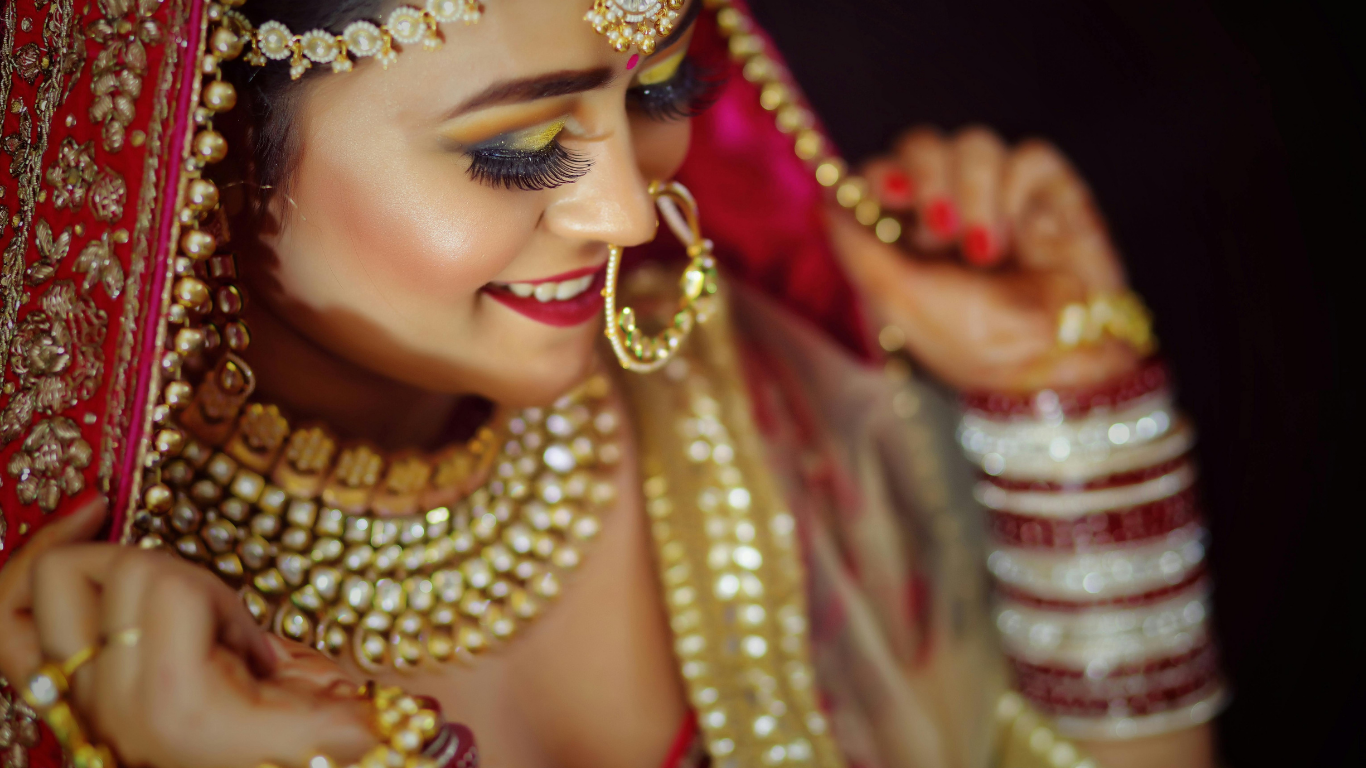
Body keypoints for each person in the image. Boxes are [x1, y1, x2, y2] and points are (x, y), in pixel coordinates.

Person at [0, 2, 1222, 767]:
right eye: (516, 150)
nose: (628, 212)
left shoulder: (740, 401)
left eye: (658, 91)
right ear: (197, 142)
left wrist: (1069, 411)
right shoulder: (71, 649)